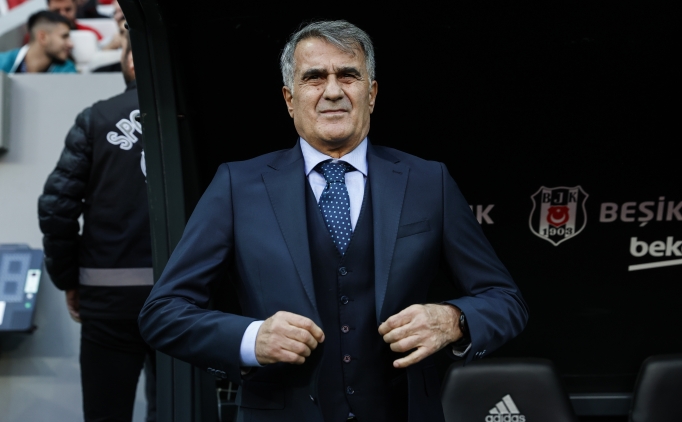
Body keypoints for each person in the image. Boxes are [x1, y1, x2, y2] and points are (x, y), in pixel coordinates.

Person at [138, 20, 528, 422]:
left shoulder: (430, 182)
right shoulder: (237, 185)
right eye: (314, 78)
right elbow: (163, 312)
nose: (333, 91)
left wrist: (453, 320)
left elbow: (505, 299)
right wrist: (252, 339)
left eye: (348, 75)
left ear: (371, 94)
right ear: (289, 99)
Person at [38, 22, 155, 422]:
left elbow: (56, 208)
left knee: (106, 414)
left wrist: (68, 278)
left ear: (132, 61)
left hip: (108, 302)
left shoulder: (96, 119)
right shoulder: (193, 121)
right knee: (179, 410)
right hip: (185, 299)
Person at [0, 11, 76, 73]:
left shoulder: (67, 71)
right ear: (43, 37)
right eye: (64, 36)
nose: (71, 44)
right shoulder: (2, 63)